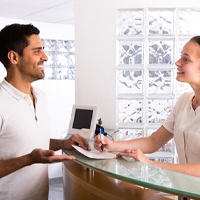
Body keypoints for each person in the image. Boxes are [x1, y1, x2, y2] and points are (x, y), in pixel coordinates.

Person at [0, 23, 90, 200]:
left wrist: (64, 144)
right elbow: (30, 154)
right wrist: (29, 159)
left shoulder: (41, 97)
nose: (45, 57)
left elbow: (25, 141)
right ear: (14, 57)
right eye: (36, 51)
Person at [94, 36, 200, 178]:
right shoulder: (184, 101)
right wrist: (111, 145)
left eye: (186, 59)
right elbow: (153, 142)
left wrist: (151, 163)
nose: (177, 62)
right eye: (181, 56)